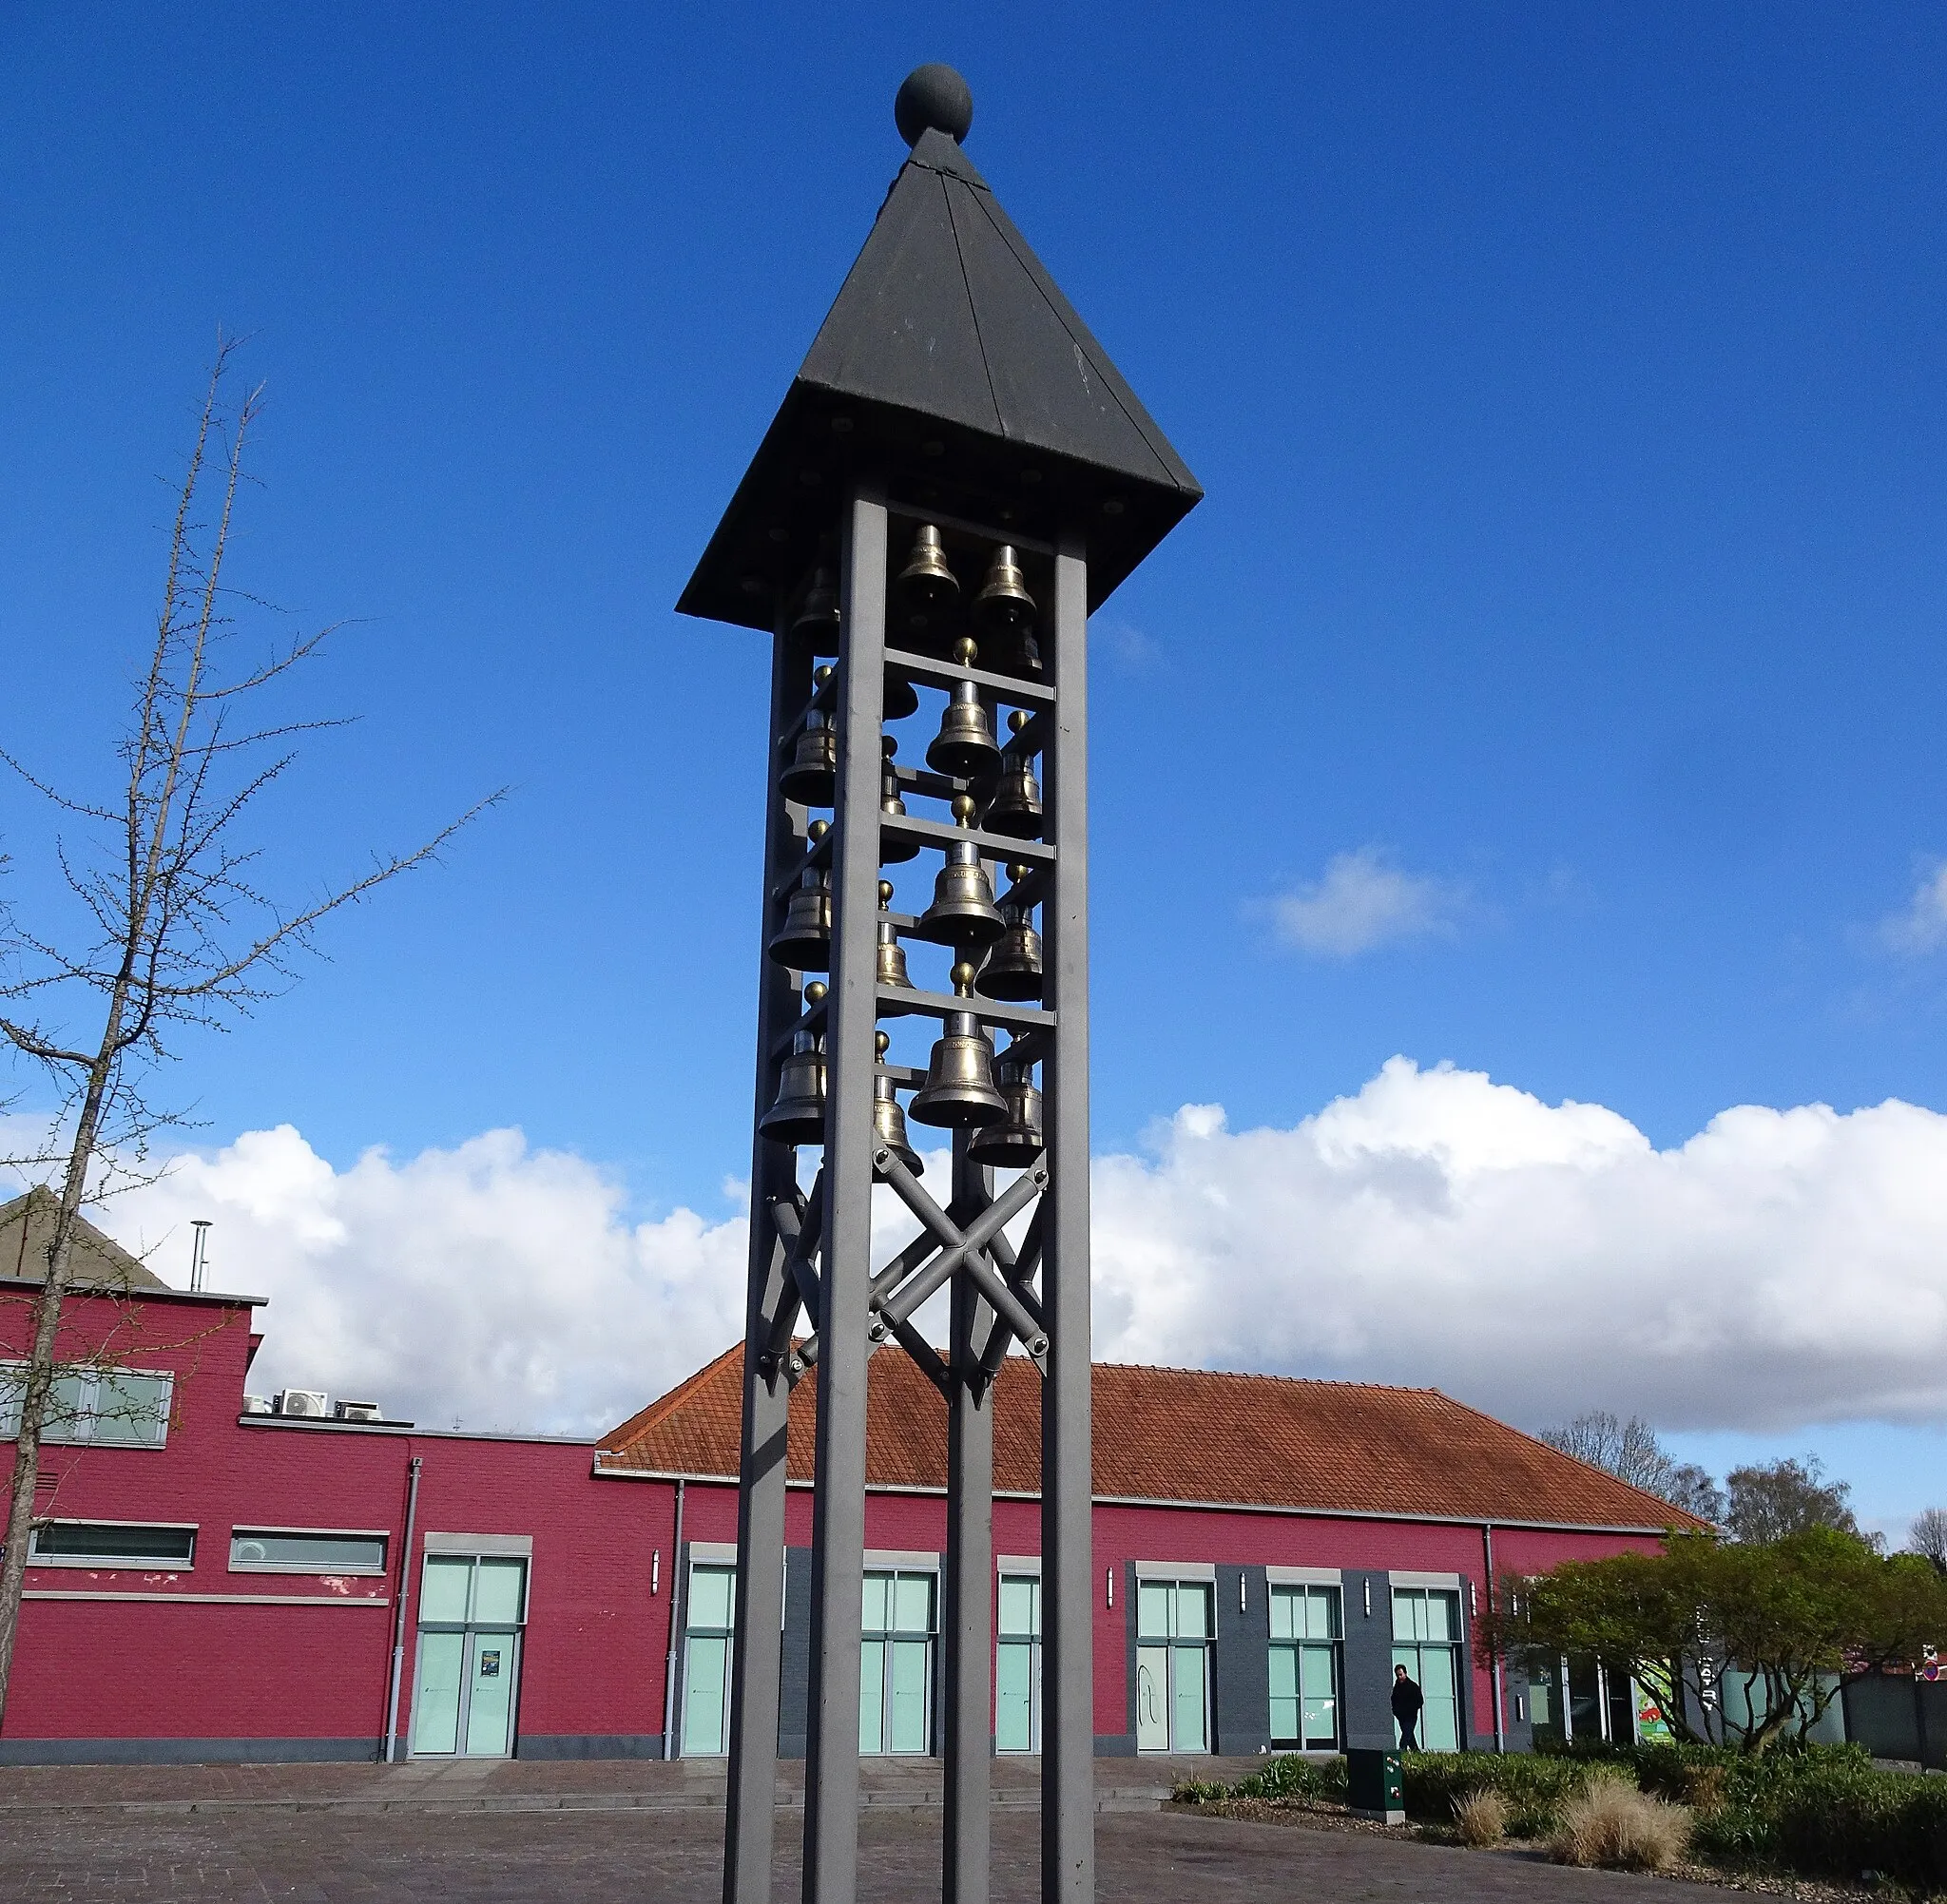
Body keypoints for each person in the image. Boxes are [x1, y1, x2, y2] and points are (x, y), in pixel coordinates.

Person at [1391, 1664, 1423, 1751]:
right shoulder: (1396, 1688)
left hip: (1411, 1716)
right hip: (1401, 1717)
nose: (1399, 1677)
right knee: (1409, 1736)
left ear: (1405, 1673)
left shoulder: (1413, 1686)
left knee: (1406, 1735)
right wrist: (1396, 1711)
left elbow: (1420, 1701)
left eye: (1401, 1675)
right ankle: (1416, 1752)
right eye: (1397, 1675)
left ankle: (1402, 1751)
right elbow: (1393, 1700)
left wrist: (1411, 1709)